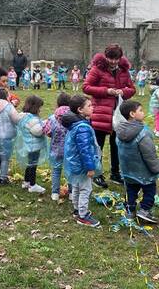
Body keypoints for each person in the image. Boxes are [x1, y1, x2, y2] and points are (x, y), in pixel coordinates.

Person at [83, 44, 135, 188]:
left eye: (116, 58)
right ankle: (97, 174)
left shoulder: (124, 71)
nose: (113, 61)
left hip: (118, 114)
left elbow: (132, 89)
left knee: (117, 145)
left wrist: (123, 91)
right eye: (110, 58)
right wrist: (107, 91)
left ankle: (115, 173)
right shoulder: (97, 69)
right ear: (106, 57)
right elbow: (86, 87)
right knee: (98, 146)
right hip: (100, 113)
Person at [116, 100, 159, 223]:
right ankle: (145, 210)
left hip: (127, 170)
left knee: (131, 190)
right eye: (140, 110)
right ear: (132, 114)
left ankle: (130, 210)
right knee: (150, 190)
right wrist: (156, 169)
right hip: (144, 171)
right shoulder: (143, 132)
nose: (143, 112)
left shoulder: (119, 131)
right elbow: (149, 154)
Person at [63, 95, 102, 227]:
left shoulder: (76, 124)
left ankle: (77, 209)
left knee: (76, 186)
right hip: (81, 164)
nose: (93, 108)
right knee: (85, 189)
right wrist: (90, 167)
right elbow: (84, 150)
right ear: (80, 110)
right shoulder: (82, 127)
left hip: (74, 163)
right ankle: (83, 215)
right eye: (89, 106)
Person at [15, 95, 47, 194]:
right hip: (34, 145)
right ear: (35, 107)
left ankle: (26, 181)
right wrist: (45, 124)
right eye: (39, 108)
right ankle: (32, 185)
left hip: (27, 144)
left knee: (29, 164)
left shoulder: (23, 116)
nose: (40, 110)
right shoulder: (32, 119)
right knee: (33, 165)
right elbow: (37, 131)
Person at [43, 92, 71, 201]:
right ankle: (72, 193)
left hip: (56, 149)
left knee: (56, 170)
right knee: (70, 171)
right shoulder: (74, 117)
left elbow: (47, 131)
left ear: (57, 104)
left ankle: (55, 193)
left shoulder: (52, 118)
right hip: (70, 150)